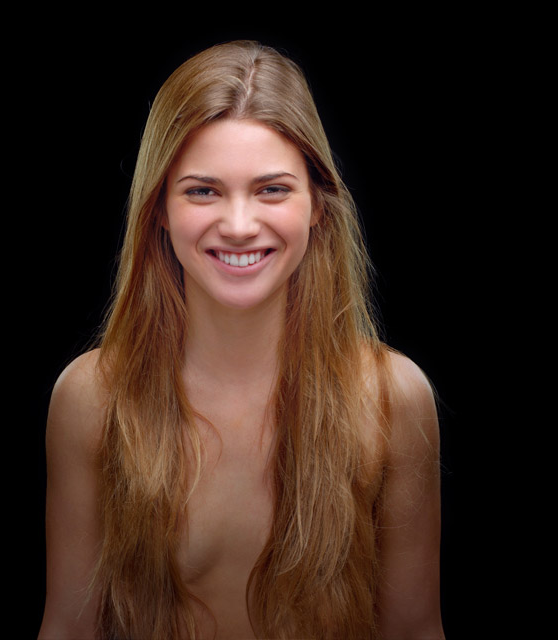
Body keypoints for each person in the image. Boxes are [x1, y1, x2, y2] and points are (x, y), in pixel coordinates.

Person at [38, 40, 445, 640]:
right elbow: (68, 629)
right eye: (202, 190)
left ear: (317, 205)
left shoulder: (393, 397)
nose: (238, 225)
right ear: (159, 209)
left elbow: (414, 629)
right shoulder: (91, 397)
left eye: (272, 189)